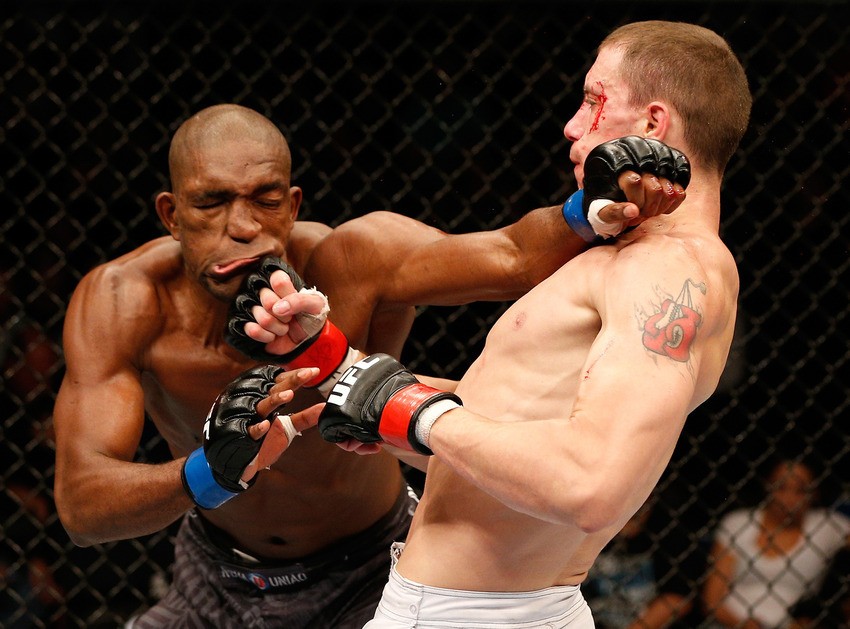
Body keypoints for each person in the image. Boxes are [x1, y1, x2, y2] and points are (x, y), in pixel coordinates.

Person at [52, 103, 684, 628]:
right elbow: (81, 508)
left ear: (293, 205)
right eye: (210, 204)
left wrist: (592, 207)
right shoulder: (124, 302)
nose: (241, 227)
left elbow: (511, 256)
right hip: (212, 576)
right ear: (171, 214)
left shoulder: (356, 259)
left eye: (265, 200)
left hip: (372, 573)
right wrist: (207, 472)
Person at [308, 20, 753, 628]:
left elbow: (592, 485)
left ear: (653, 125)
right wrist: (352, 381)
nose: (572, 125)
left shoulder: (666, 268)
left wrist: (418, 413)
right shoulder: (638, 259)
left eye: (594, 101)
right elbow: (513, 436)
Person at [702, 458, 850, 629]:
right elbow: (712, 600)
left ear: (815, 493)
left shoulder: (827, 526)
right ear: (768, 486)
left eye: (801, 490)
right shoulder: (738, 523)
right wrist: (744, 625)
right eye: (781, 487)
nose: (789, 498)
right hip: (731, 623)